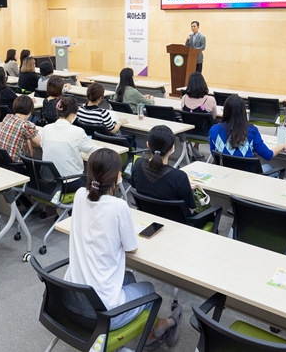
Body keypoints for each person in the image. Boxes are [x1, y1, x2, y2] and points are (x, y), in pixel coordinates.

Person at [64, 148, 180, 343]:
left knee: (129, 277)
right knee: (149, 288)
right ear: (118, 176)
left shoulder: (79, 194)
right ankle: (154, 331)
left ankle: (152, 324)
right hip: (103, 314)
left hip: (70, 299)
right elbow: (131, 248)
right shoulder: (118, 207)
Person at [209, 94, 286, 172]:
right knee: (268, 167)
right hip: (247, 176)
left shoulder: (214, 129)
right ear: (243, 111)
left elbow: (214, 153)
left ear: (225, 110)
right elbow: (268, 155)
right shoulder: (252, 131)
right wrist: (281, 146)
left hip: (224, 172)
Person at [131, 125, 195, 211]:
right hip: (175, 222)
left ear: (148, 145)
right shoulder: (179, 177)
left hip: (147, 218)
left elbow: (134, 185)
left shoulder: (138, 164)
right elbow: (191, 206)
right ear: (172, 148)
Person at [41, 96, 95, 189]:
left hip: (48, 181)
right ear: (73, 114)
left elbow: (43, 146)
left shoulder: (46, 129)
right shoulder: (77, 131)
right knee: (93, 178)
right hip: (70, 182)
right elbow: (93, 151)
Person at [0, 95, 41, 162]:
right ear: (31, 110)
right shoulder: (26, 125)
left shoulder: (8, 117)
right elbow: (40, 143)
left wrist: (28, 138)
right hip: (14, 164)